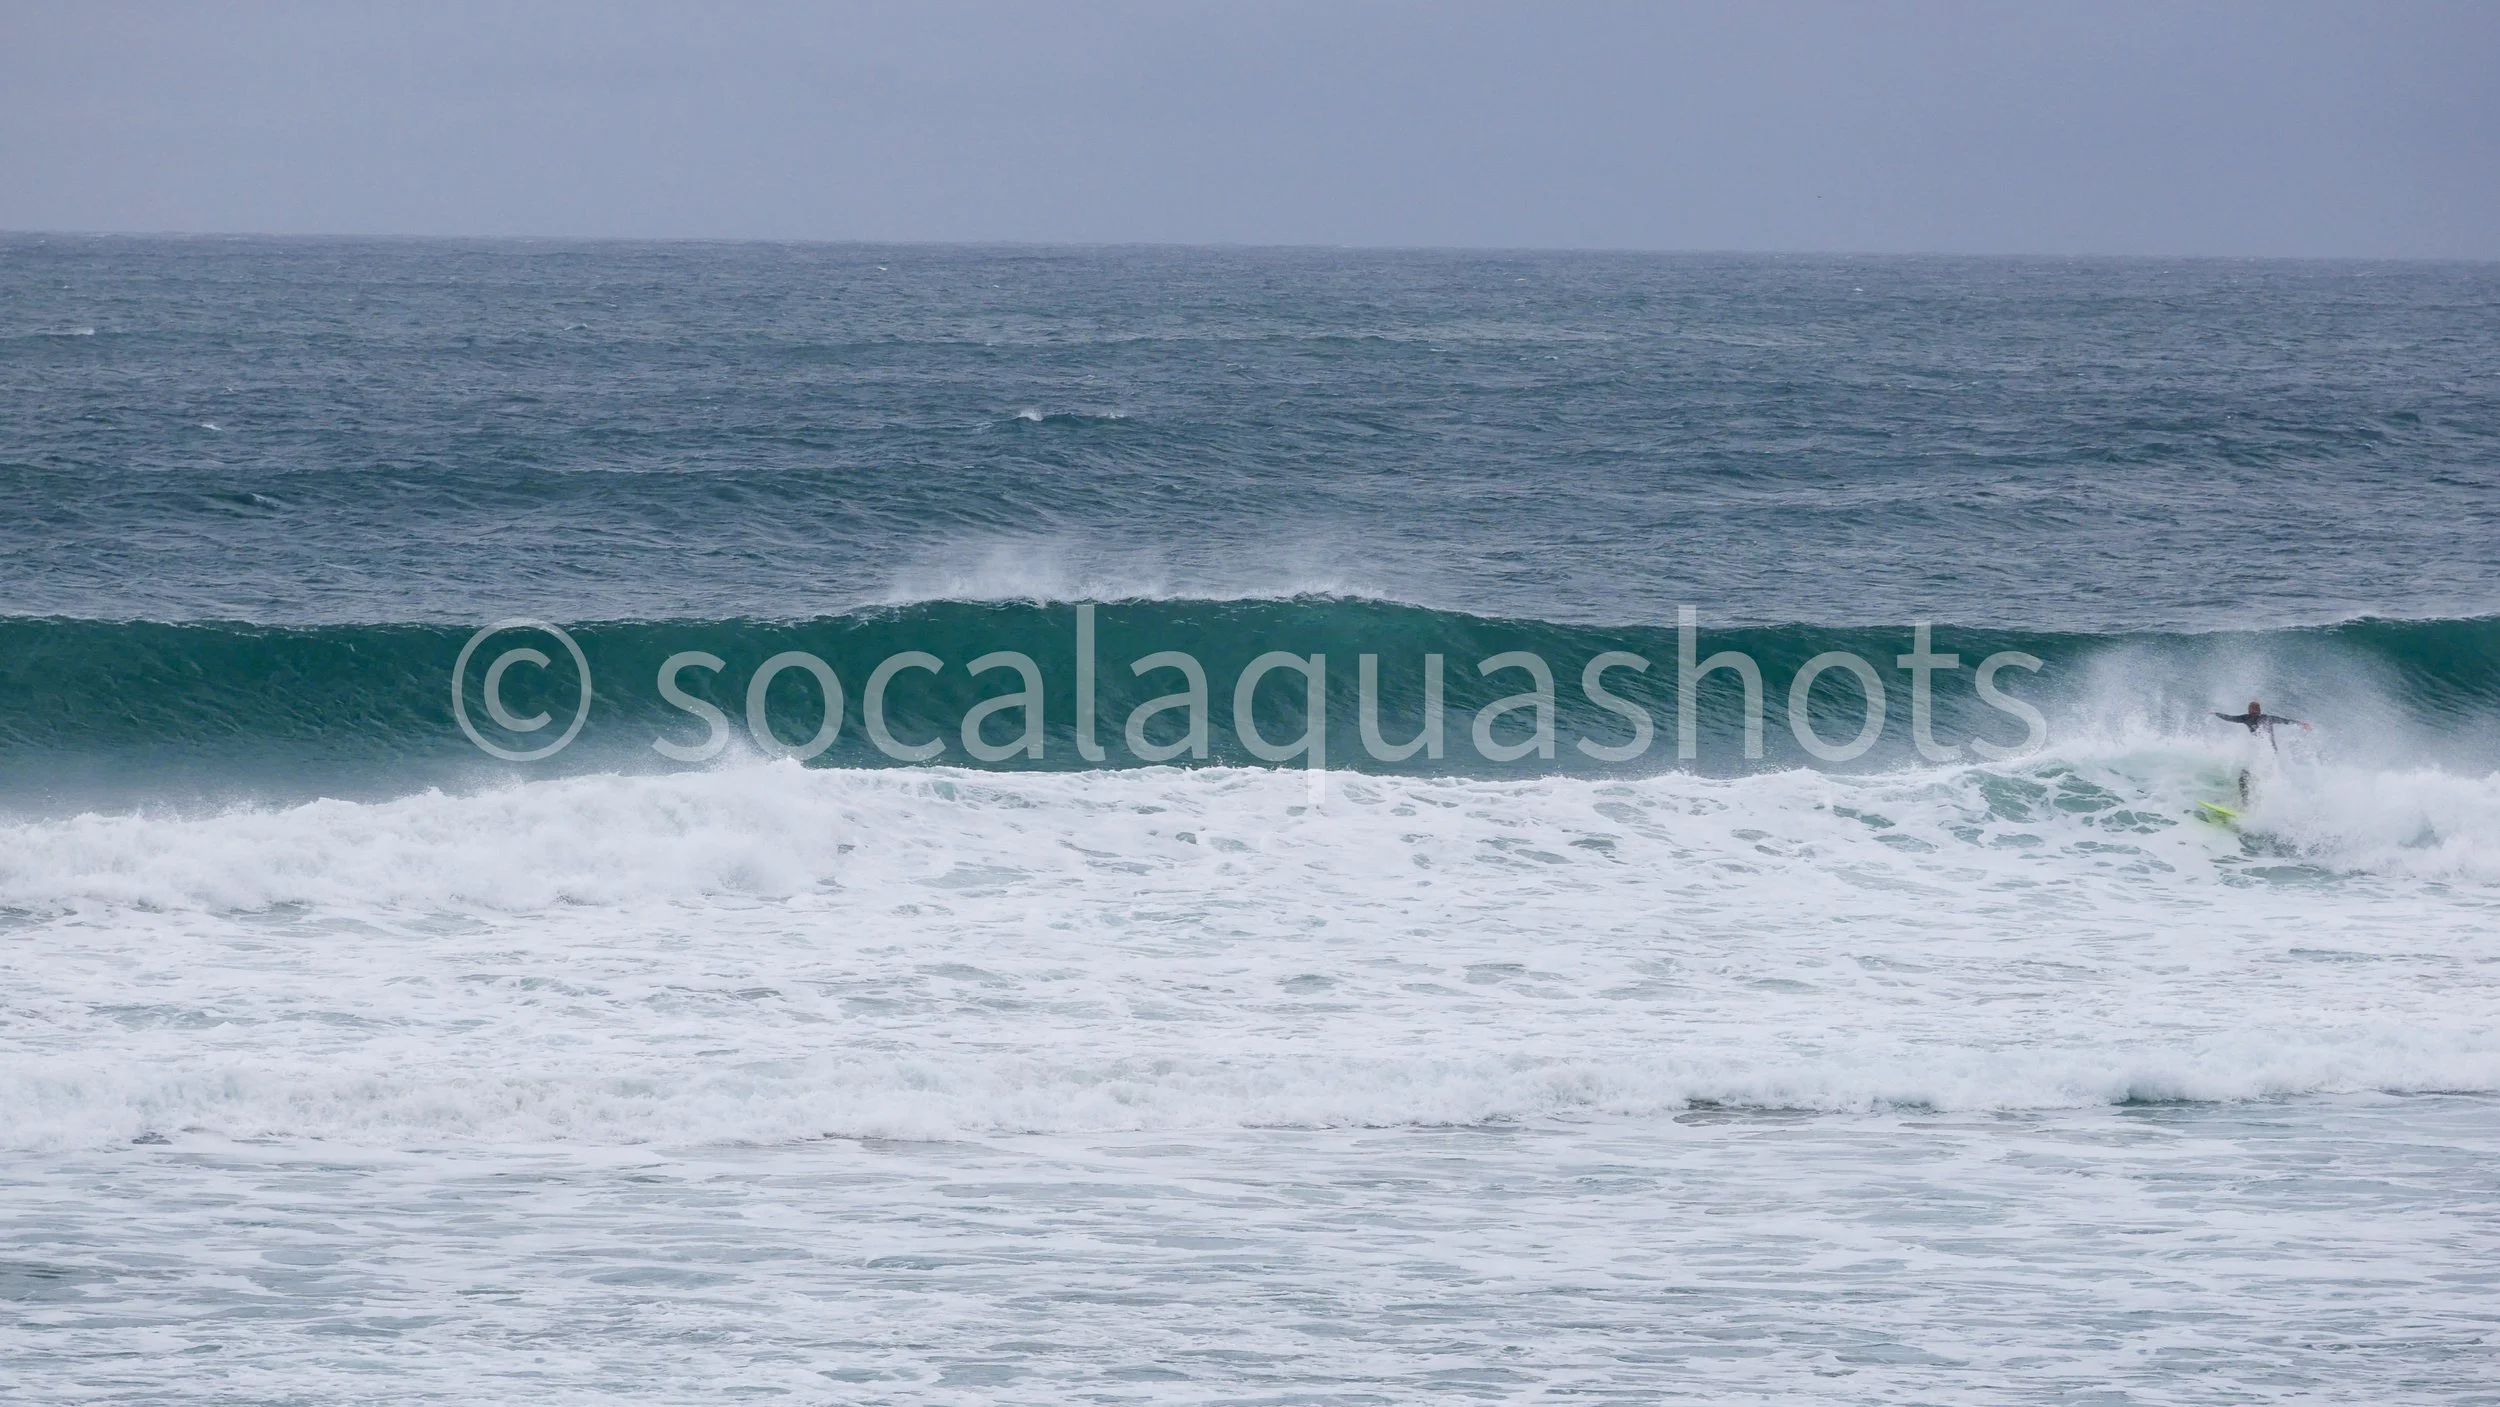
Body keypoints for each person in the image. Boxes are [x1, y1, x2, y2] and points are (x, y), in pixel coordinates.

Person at [2213, 700, 2311, 803]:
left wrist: (2301, 724)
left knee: (2245, 776)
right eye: (2252, 711)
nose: (2252, 713)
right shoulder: (2260, 718)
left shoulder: (2251, 718)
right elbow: (2230, 718)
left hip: (2268, 754)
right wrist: (2216, 714)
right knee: (2249, 776)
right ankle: (2252, 800)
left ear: (2253, 711)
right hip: (2266, 754)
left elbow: (2285, 721)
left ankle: (2248, 803)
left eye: (2252, 710)